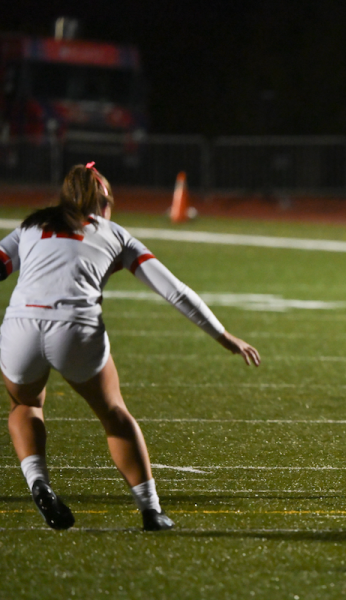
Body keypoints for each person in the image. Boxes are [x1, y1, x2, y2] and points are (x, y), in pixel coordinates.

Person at [0, 163, 260, 532]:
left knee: (25, 404)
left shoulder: (31, 225)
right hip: (75, 328)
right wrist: (224, 336)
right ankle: (150, 510)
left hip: (20, 327)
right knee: (114, 415)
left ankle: (38, 481)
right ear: (103, 201)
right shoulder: (115, 233)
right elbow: (174, 290)